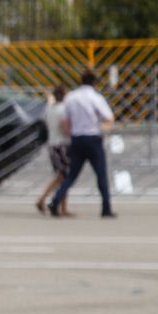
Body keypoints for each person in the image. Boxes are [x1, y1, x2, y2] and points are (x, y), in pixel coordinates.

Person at [50, 70, 116, 219]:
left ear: (81, 81)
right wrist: (101, 127)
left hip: (77, 138)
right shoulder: (96, 97)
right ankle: (106, 208)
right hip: (92, 138)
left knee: (72, 174)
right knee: (101, 174)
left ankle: (55, 201)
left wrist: (72, 135)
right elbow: (109, 118)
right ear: (94, 82)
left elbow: (65, 122)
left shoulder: (71, 97)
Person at [36, 86, 71, 216]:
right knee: (64, 175)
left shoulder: (49, 108)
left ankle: (62, 207)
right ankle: (43, 199)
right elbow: (65, 126)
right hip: (62, 144)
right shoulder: (63, 110)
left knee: (61, 176)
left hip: (52, 144)